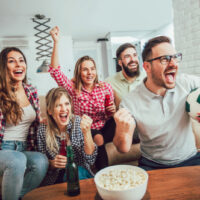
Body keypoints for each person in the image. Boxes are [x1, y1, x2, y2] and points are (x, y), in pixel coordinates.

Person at [113, 36, 200, 171]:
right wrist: (121, 130)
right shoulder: (130, 101)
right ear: (147, 66)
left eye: (175, 57)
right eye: (164, 59)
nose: (173, 64)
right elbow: (123, 148)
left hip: (191, 159)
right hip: (152, 164)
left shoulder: (187, 83)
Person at [49, 26, 116, 169]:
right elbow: (55, 72)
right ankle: (102, 174)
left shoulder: (105, 88)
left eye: (92, 68)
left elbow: (110, 114)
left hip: (106, 125)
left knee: (121, 118)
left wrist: (112, 110)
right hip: (87, 128)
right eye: (85, 69)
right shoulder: (73, 89)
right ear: (79, 72)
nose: (89, 72)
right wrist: (56, 42)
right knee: (98, 139)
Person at [0, 47, 48, 200]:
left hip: (23, 147)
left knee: (41, 161)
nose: (18, 64)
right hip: (3, 149)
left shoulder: (31, 90)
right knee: (17, 161)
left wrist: (45, 122)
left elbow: (36, 119)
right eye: (12, 61)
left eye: (21, 60)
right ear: (3, 66)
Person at [37, 87, 97, 185]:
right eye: (58, 105)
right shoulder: (43, 129)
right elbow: (42, 163)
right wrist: (52, 164)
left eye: (67, 104)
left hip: (80, 173)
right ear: (50, 111)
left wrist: (87, 133)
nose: (64, 109)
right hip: (54, 178)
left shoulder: (78, 123)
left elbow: (90, 160)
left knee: (74, 172)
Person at [105, 43, 146, 108]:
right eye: (127, 56)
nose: (133, 59)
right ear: (120, 62)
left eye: (135, 55)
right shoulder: (108, 83)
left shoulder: (148, 77)